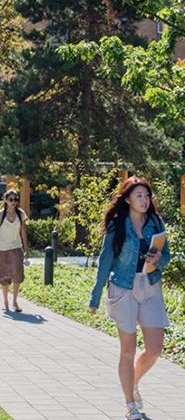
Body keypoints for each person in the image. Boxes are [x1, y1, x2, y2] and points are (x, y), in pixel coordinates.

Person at [89, 177, 170, 420]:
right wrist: (95, 296)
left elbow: (165, 256)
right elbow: (105, 261)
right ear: (127, 199)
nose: (145, 200)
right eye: (139, 196)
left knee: (155, 348)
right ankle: (130, 404)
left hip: (150, 286)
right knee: (128, 350)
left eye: (147, 195)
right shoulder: (118, 225)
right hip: (123, 288)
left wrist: (158, 261)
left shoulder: (155, 222)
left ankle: (132, 382)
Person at [0, 188, 29, 313]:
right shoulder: (0, 215)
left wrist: (26, 249)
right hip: (2, 249)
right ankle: (5, 302)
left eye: (16, 199)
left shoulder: (20, 214)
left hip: (16, 248)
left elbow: (23, 232)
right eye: (11, 199)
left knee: (17, 275)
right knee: (3, 276)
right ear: (5, 200)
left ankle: (15, 301)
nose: (14, 202)